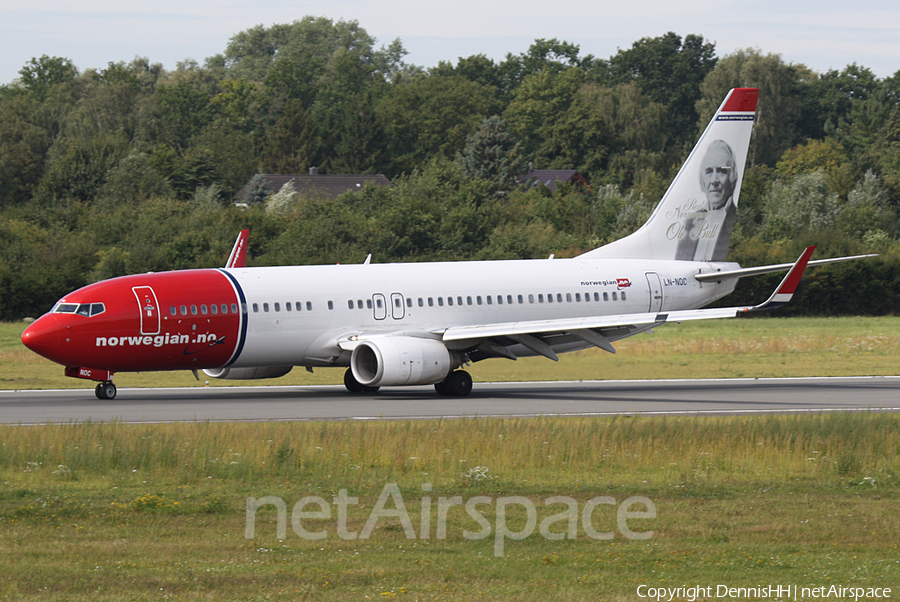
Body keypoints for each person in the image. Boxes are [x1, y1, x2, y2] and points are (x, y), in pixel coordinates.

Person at [675, 140, 738, 261]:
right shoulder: (690, 222)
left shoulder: (736, 220)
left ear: (732, 177)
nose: (714, 180)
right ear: (702, 181)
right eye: (709, 172)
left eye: (721, 171)